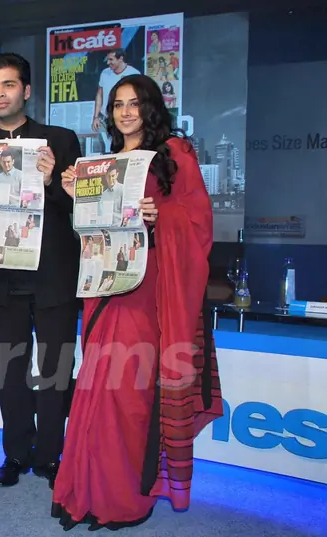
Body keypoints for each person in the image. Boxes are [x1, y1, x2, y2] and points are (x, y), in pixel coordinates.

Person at [51, 74, 223, 531]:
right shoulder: (103, 161)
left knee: (129, 393)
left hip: (149, 290)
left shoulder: (176, 154)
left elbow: (199, 219)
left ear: (152, 108)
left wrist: (159, 214)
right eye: (118, 104)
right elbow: (92, 229)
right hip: (104, 285)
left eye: (134, 103)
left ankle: (124, 498)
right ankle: (87, 489)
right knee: (96, 387)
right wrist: (76, 194)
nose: (125, 112)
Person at [0, 52, 82, 488]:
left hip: (52, 275)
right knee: (12, 371)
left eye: (7, 85)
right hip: (0, 276)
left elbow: (79, 209)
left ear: (26, 90)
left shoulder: (60, 139)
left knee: (56, 371)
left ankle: (50, 455)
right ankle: (16, 455)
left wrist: (51, 182)